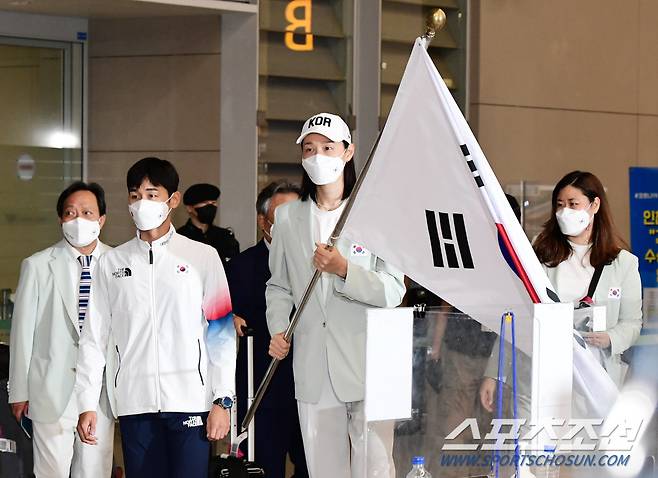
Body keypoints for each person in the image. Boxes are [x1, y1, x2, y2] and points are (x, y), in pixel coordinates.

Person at [74, 158, 236, 478]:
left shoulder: (201, 257)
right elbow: (93, 338)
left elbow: (221, 334)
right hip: (135, 405)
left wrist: (223, 400)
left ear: (172, 200)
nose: (141, 203)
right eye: (135, 195)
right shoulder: (111, 263)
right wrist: (86, 403)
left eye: (151, 194)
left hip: (190, 402)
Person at [266, 113, 406, 478]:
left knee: (374, 466)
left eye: (328, 148)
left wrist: (344, 269)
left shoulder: (376, 214)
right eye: (309, 149)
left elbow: (393, 289)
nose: (318, 156)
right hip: (313, 363)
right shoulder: (286, 218)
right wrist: (279, 329)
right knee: (323, 466)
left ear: (348, 152)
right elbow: (278, 285)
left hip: (369, 362)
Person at [480, 171, 642, 413]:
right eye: (559, 205)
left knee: (587, 448)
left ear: (595, 205)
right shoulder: (541, 256)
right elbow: (516, 316)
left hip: (595, 380)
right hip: (540, 376)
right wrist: (495, 373)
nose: (565, 211)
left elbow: (631, 322)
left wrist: (610, 338)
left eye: (573, 204)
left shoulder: (623, 263)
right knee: (535, 446)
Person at [9, 181, 115, 477]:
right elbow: (22, 333)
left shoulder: (117, 263)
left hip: (100, 393)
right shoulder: (38, 265)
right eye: (70, 213)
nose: (78, 219)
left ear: (102, 219)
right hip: (50, 392)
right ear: (60, 219)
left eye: (87, 212)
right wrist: (19, 391)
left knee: (94, 471)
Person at [227, 180, 308, 478]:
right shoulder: (240, 266)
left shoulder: (318, 264)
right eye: (281, 215)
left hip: (309, 390)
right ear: (263, 221)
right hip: (260, 392)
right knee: (263, 469)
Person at [177, 183, 240, 264]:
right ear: (190, 208)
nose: (210, 207)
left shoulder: (225, 237)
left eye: (213, 203)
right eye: (205, 203)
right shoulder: (180, 237)